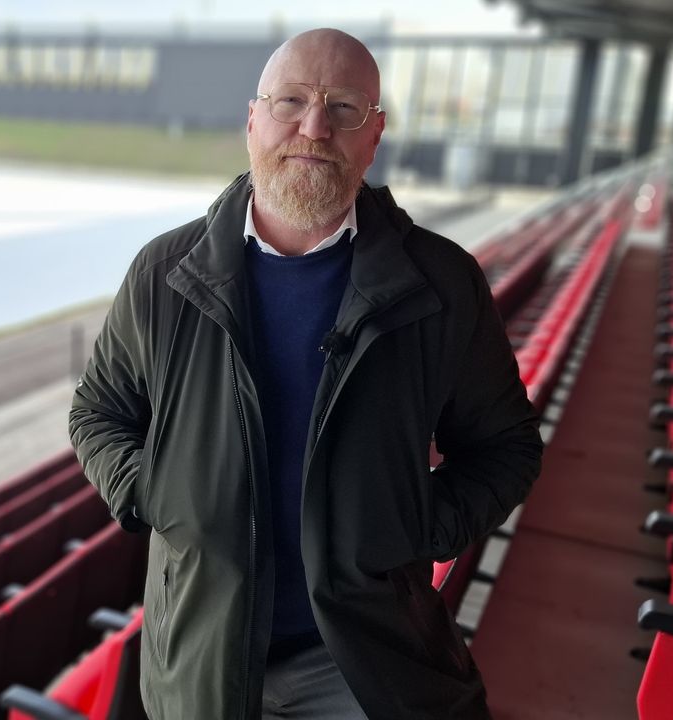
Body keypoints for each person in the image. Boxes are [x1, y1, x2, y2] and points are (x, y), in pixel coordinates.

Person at [69, 27, 543, 720]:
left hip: (364, 664)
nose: (314, 128)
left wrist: (422, 525)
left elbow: (507, 447)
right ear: (252, 120)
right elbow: (98, 412)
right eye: (290, 101)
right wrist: (153, 492)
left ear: (374, 136)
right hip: (204, 658)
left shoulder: (442, 283)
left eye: (343, 108)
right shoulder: (163, 274)